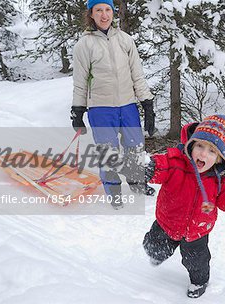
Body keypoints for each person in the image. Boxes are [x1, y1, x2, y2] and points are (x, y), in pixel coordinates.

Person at [142, 115, 225, 298]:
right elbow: (160, 165)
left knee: (197, 262)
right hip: (167, 222)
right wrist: (146, 167)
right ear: (191, 144)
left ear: (219, 158)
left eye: (212, 151)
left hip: (198, 231)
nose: (203, 154)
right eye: (199, 145)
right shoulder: (175, 163)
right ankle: (157, 253)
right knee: (153, 246)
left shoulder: (221, 179)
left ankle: (199, 282)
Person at [70, 0, 156, 209]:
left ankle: (137, 183)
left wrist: (147, 104)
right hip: (100, 109)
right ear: (91, 14)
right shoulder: (84, 44)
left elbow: (137, 74)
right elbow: (80, 81)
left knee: (135, 147)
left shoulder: (125, 40)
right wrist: (78, 111)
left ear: (113, 12)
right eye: (98, 10)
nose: (104, 15)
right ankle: (113, 190)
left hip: (127, 105)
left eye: (107, 9)